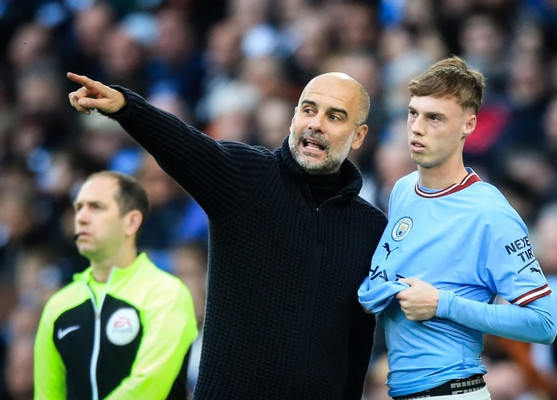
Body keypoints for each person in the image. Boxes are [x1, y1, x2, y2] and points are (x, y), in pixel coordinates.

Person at [66, 71, 388, 399]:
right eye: (308, 109)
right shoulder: (249, 179)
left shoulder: (370, 227)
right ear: (293, 118)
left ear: (359, 135)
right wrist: (125, 106)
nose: (316, 123)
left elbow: (357, 343)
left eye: (334, 116)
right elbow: (185, 147)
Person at [358, 56, 557, 400]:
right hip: (400, 391)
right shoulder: (403, 190)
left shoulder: (490, 212)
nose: (417, 127)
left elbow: (543, 324)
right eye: (413, 113)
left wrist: (443, 304)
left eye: (434, 117)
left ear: (469, 124)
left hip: (454, 391)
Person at [33, 171, 198, 399]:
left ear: (131, 222)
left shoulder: (165, 293)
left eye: (96, 207)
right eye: (79, 207)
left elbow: (149, 386)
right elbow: (46, 394)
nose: (81, 217)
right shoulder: (59, 305)